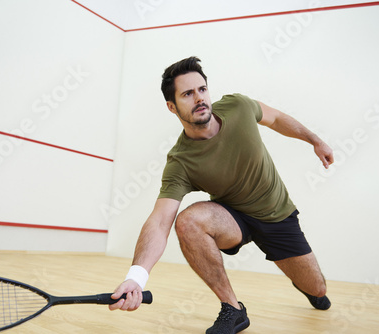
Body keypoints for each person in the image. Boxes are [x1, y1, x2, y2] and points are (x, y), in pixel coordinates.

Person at [109, 56, 334, 333]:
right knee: (187, 222)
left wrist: (315, 140)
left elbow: (276, 118)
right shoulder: (180, 162)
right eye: (187, 94)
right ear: (172, 106)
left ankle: (308, 288)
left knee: (317, 287)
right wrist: (136, 278)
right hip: (232, 218)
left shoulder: (238, 107)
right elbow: (159, 221)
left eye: (202, 89)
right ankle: (233, 308)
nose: (199, 98)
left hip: (277, 216)